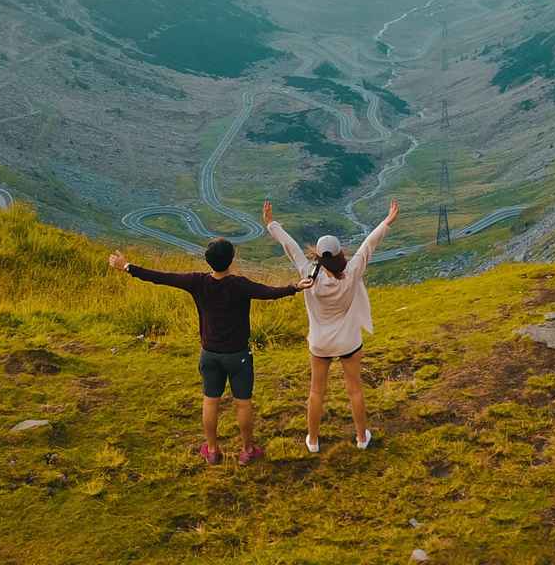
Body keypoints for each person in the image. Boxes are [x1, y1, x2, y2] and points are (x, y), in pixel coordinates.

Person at [107, 237, 312, 466]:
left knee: (210, 401)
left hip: (210, 354)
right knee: (243, 403)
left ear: (208, 261)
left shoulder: (197, 282)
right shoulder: (239, 284)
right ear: (231, 260)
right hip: (238, 355)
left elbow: (160, 277)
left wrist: (127, 266)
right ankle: (247, 450)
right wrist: (294, 287)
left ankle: (212, 451)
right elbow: (269, 292)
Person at [263, 198, 398, 452]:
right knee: (355, 391)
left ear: (317, 256)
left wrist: (272, 224)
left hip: (320, 344)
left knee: (316, 392)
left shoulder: (307, 275)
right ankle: (361, 438)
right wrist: (387, 221)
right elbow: (369, 245)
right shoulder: (353, 271)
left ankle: (313, 441)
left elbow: (290, 246)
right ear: (339, 254)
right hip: (348, 342)